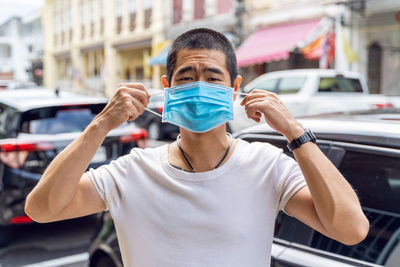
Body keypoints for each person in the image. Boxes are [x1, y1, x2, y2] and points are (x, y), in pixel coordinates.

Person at [25, 28, 369, 267]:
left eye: (213, 77)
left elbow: (350, 229)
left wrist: (294, 131)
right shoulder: (132, 171)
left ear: (235, 86)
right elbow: (42, 208)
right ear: (167, 87)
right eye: (186, 78)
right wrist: (100, 125)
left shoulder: (268, 166)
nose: (199, 88)